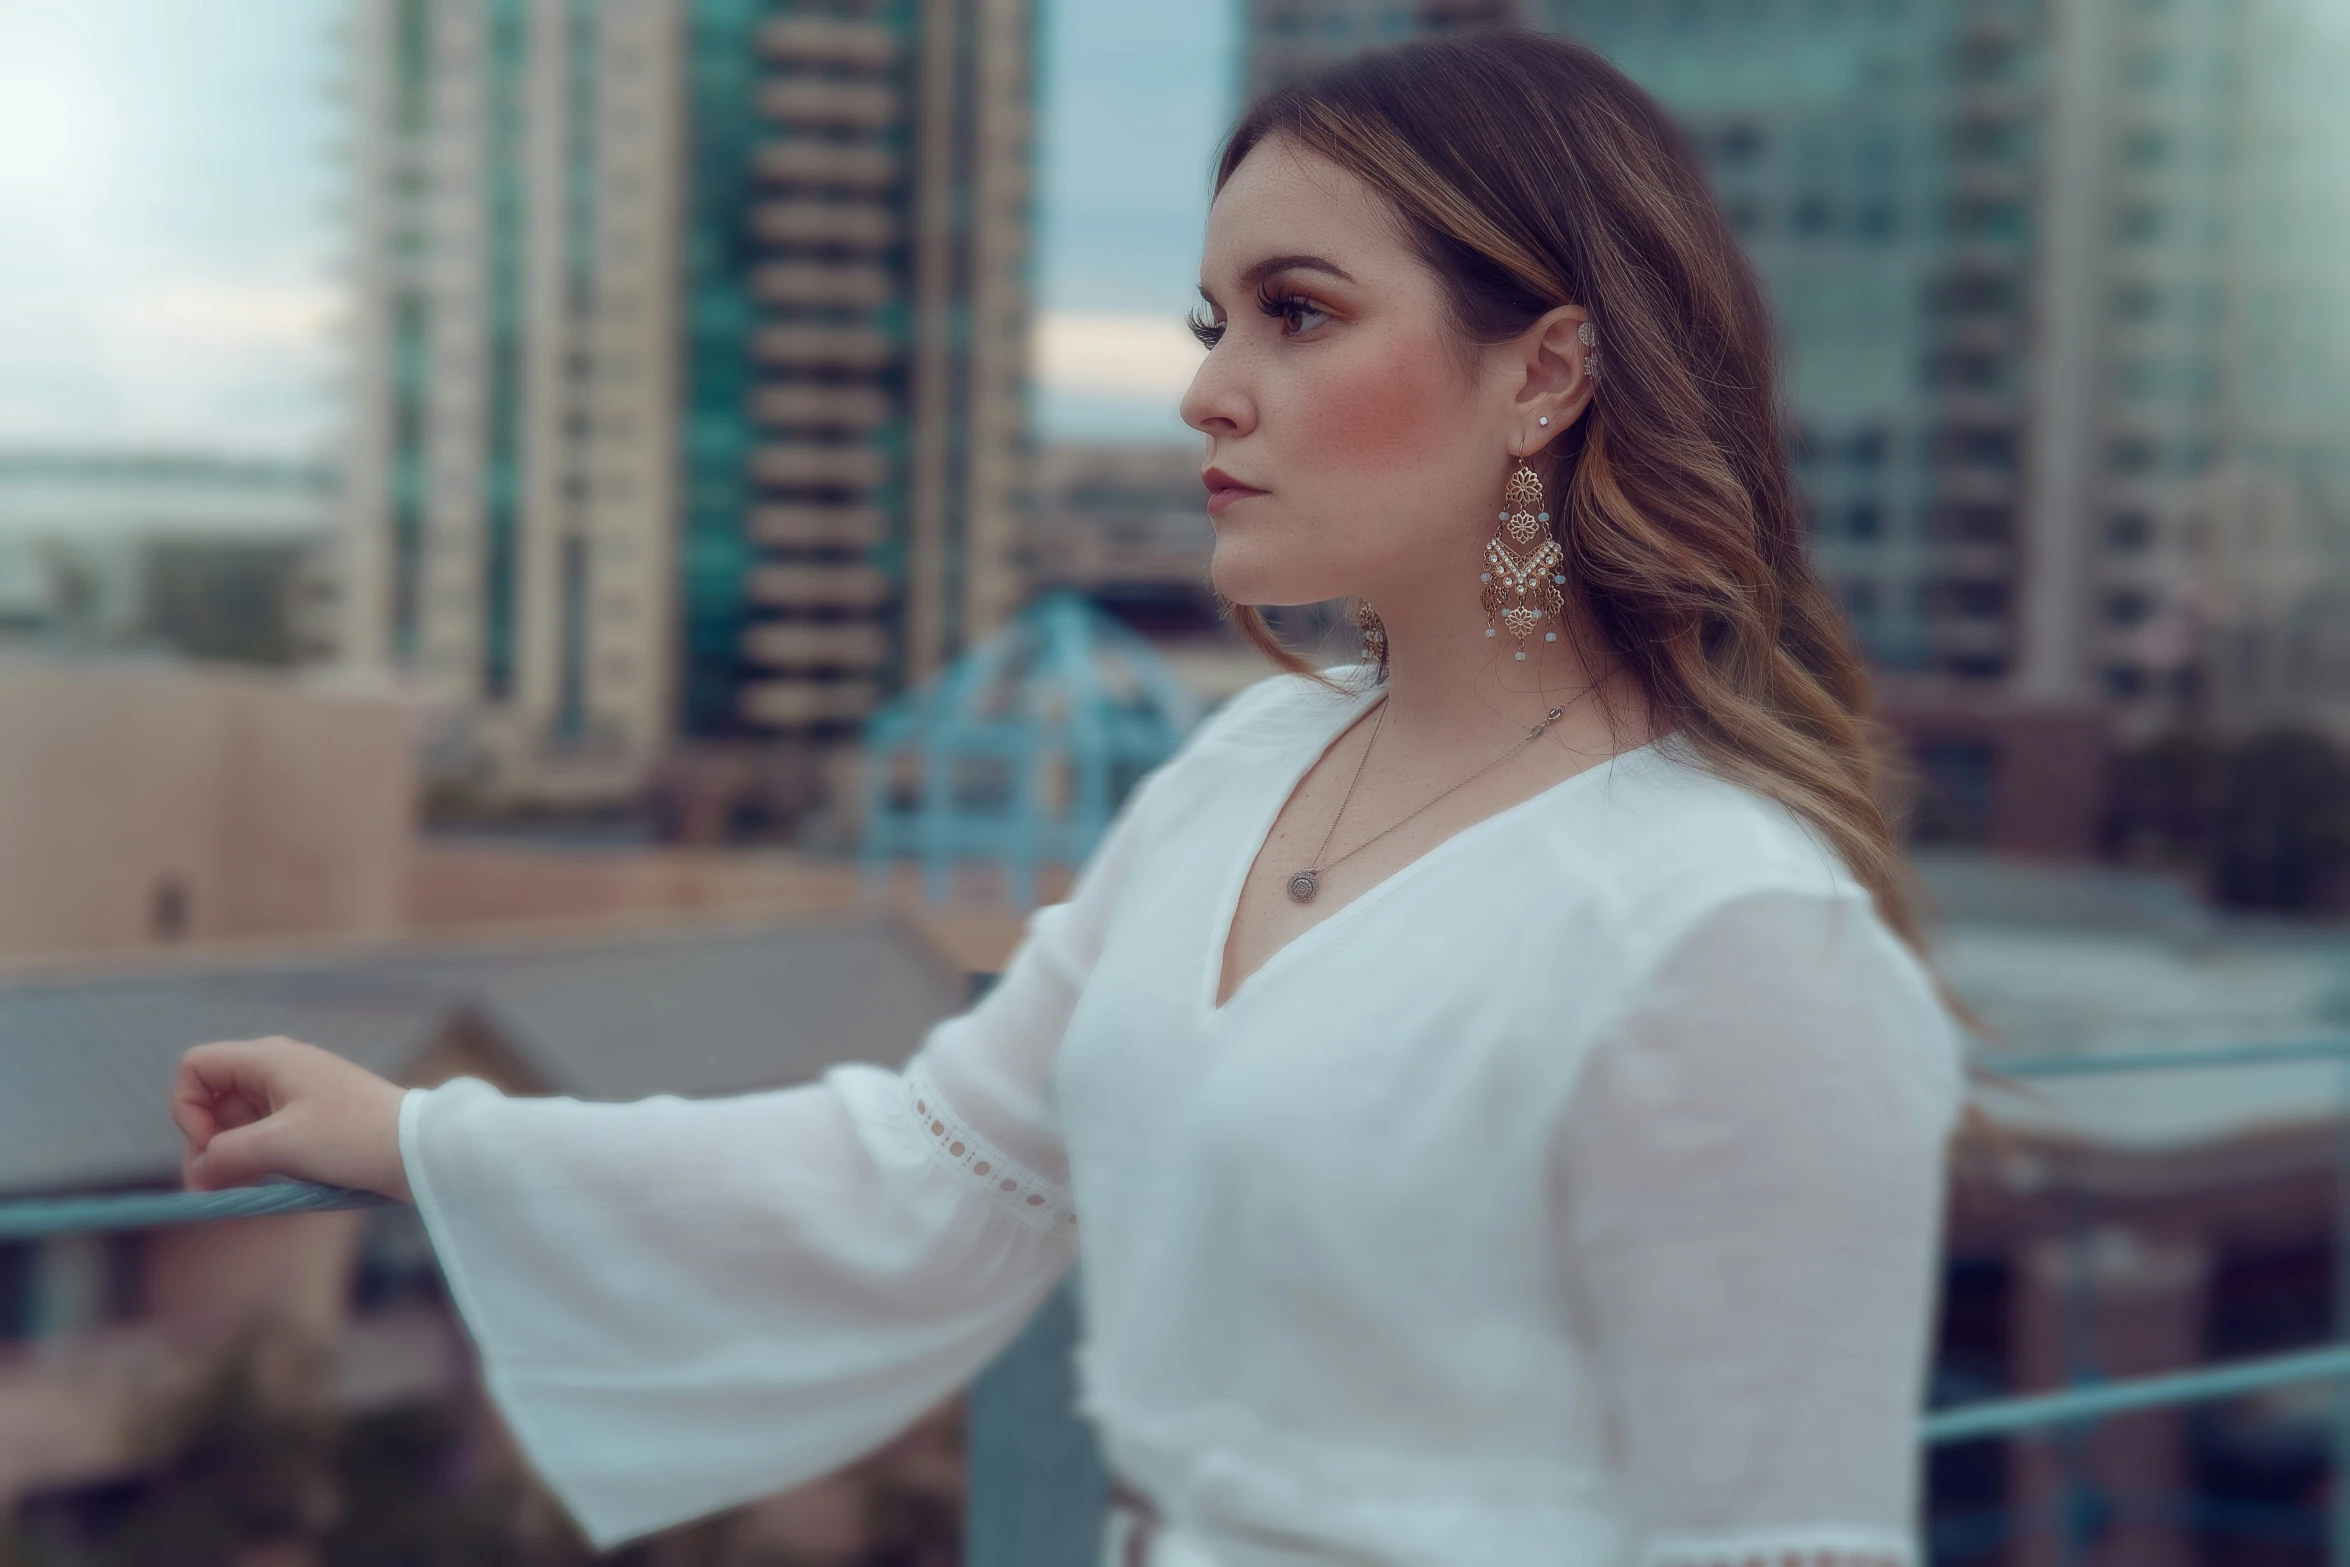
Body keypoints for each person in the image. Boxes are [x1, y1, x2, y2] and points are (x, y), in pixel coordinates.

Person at [170, 32, 1965, 1567]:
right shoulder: (1243, 769)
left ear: (1546, 374)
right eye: (1212, 319)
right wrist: (416, 1138)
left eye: (1297, 315)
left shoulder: (1730, 933)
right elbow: (929, 1172)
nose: (1205, 391)